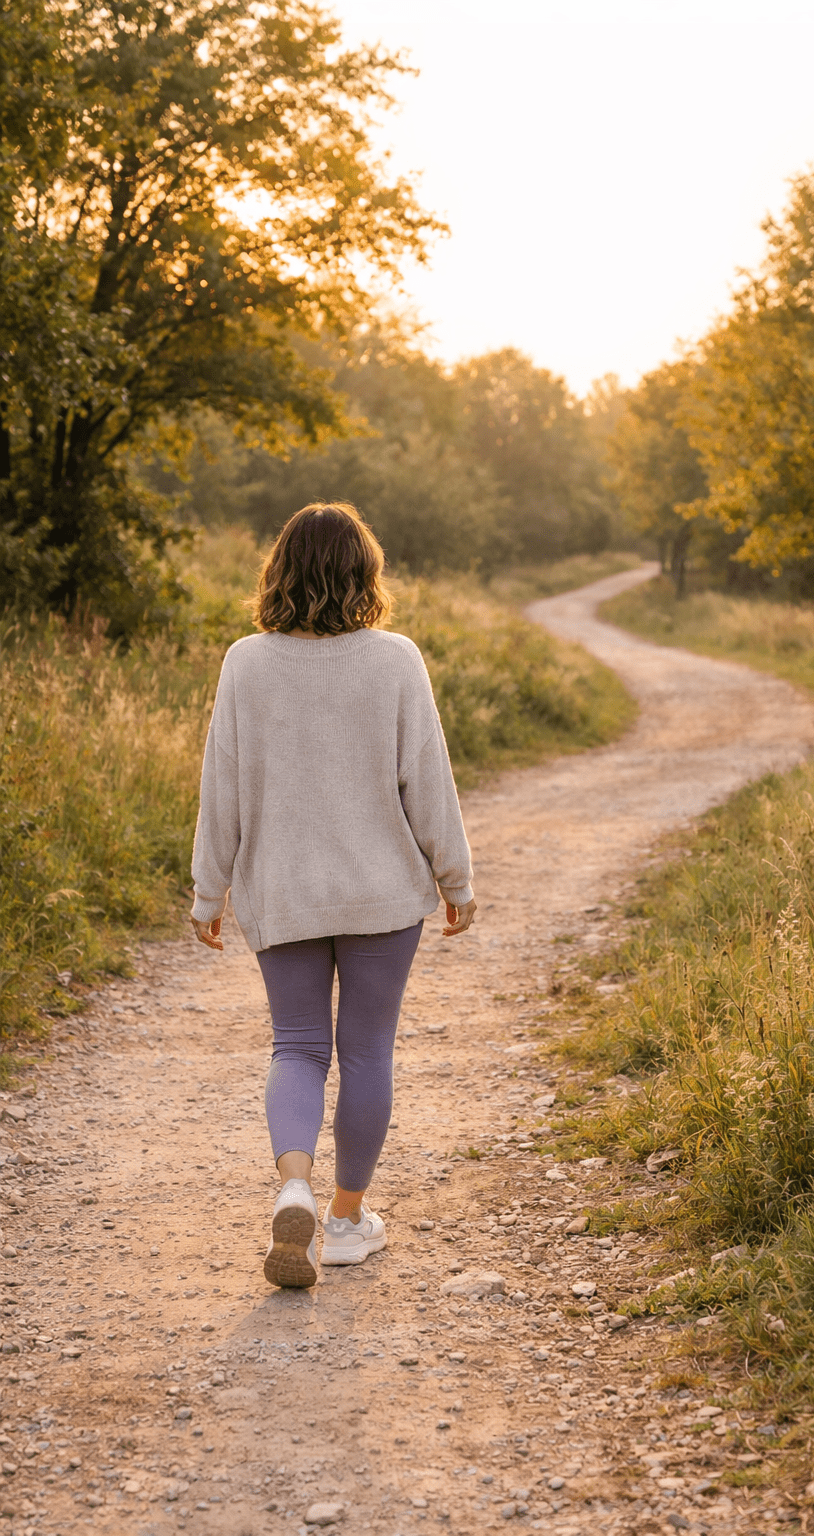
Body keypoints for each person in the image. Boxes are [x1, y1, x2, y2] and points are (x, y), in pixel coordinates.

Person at [187, 503, 476, 1288]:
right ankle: (346, 1221)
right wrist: (456, 877)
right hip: (381, 894)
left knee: (298, 1046)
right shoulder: (396, 660)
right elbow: (429, 781)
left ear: (279, 570)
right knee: (366, 1051)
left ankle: (293, 1187)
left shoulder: (245, 662)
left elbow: (225, 789)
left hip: (283, 892)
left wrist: (207, 890)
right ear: (365, 573)